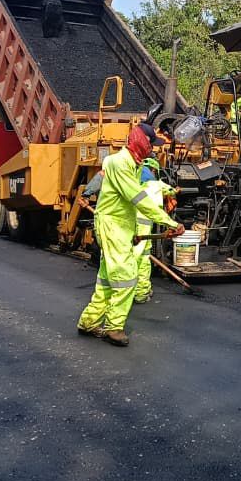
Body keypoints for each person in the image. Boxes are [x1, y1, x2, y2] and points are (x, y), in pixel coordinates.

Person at [78, 125, 183, 347]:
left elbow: (128, 204)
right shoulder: (120, 163)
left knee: (107, 279)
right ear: (142, 144)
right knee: (126, 277)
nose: (152, 151)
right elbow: (137, 198)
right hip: (112, 226)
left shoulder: (133, 164)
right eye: (150, 146)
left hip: (121, 227)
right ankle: (114, 327)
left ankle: (89, 321)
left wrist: (135, 232)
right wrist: (169, 221)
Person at [133, 158, 176, 303]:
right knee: (140, 257)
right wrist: (174, 193)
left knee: (139, 257)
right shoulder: (156, 184)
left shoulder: (131, 181)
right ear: (153, 171)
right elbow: (171, 190)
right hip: (144, 224)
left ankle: (140, 291)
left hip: (127, 223)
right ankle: (138, 293)